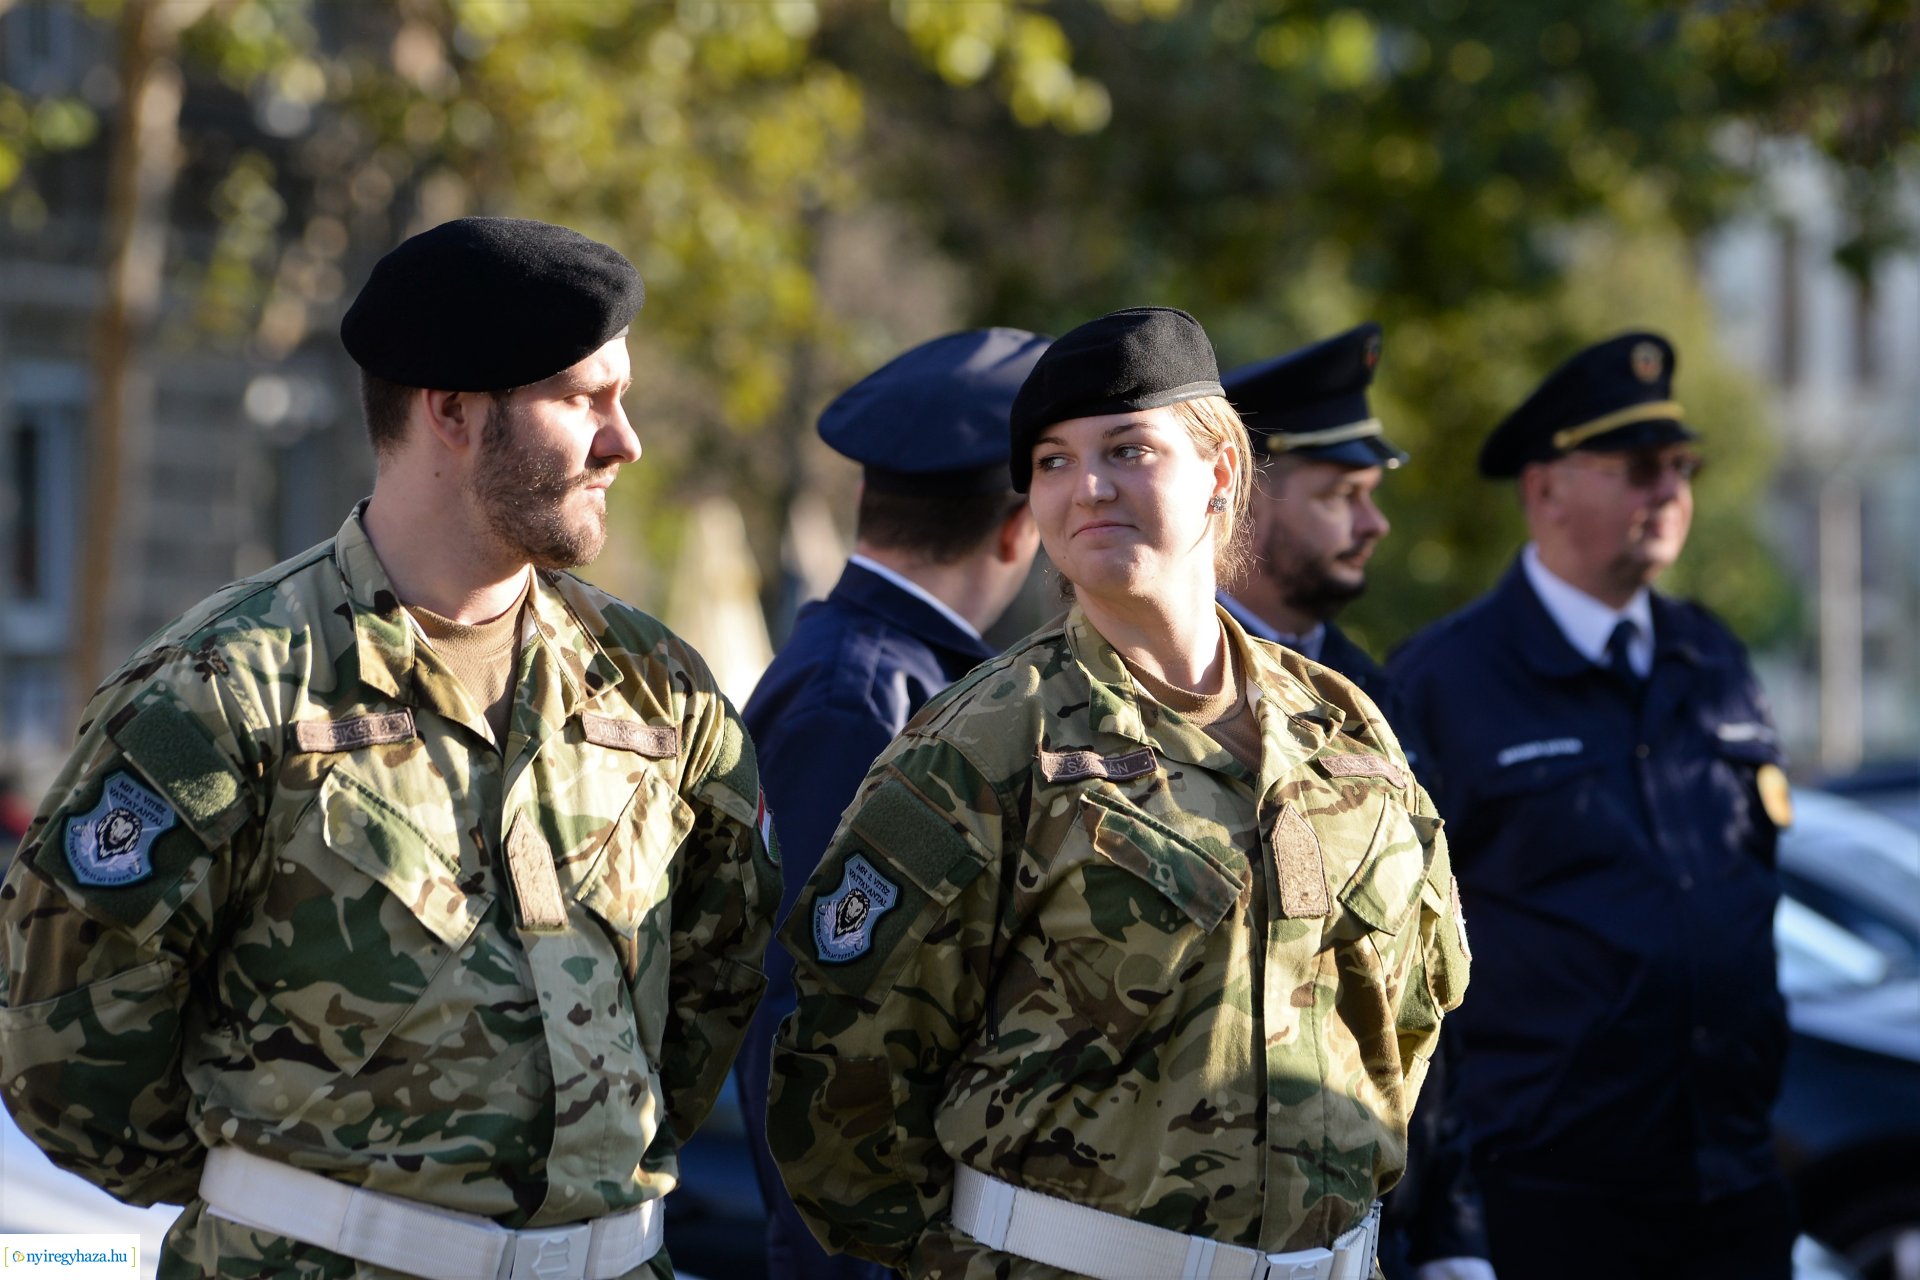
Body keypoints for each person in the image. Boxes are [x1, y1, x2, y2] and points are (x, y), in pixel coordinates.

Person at [0, 218, 781, 1280]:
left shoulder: (659, 686)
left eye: (622, 395)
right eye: (581, 398)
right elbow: (65, 1041)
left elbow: (717, 983)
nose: (623, 439)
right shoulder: (232, 688)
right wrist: (285, 1195)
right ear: (453, 411)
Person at [767, 306, 1469, 1280]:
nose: (1086, 487)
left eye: (1127, 448)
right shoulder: (984, 742)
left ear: (1223, 469)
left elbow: (1417, 1002)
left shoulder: (1342, 727)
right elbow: (845, 1089)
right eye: (1052, 461)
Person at [1389, 332, 1796, 1280]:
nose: (1671, 492)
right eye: (1641, 467)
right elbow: (1403, 963)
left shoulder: (1712, 658)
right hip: (1546, 1198)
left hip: (1731, 1179)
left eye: (1683, 466)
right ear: (1545, 489)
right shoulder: (1447, 681)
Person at [734, 327, 1048, 1280]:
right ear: (1016, 528)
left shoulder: (914, 681)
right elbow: (810, 1028)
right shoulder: (863, 701)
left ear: (868, 497)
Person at [1222, 324, 1490, 1280]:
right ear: (1244, 497)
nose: (1374, 524)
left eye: (1370, 496)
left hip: (1378, 1226)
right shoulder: (1171, 690)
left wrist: (1451, 1234)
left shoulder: (1375, 698)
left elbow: (1429, 984)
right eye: (1341, 496)